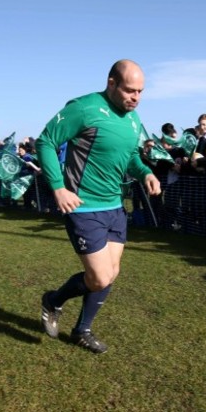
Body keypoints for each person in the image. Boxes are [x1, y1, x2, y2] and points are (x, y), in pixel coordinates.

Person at [35, 59, 160, 353]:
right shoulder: (85, 107)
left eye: (141, 92)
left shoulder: (134, 120)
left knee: (110, 274)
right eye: (130, 90)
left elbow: (130, 157)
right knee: (100, 276)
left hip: (114, 207)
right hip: (83, 206)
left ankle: (82, 330)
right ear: (112, 83)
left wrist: (147, 173)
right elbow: (45, 142)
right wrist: (58, 187)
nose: (136, 98)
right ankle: (53, 301)